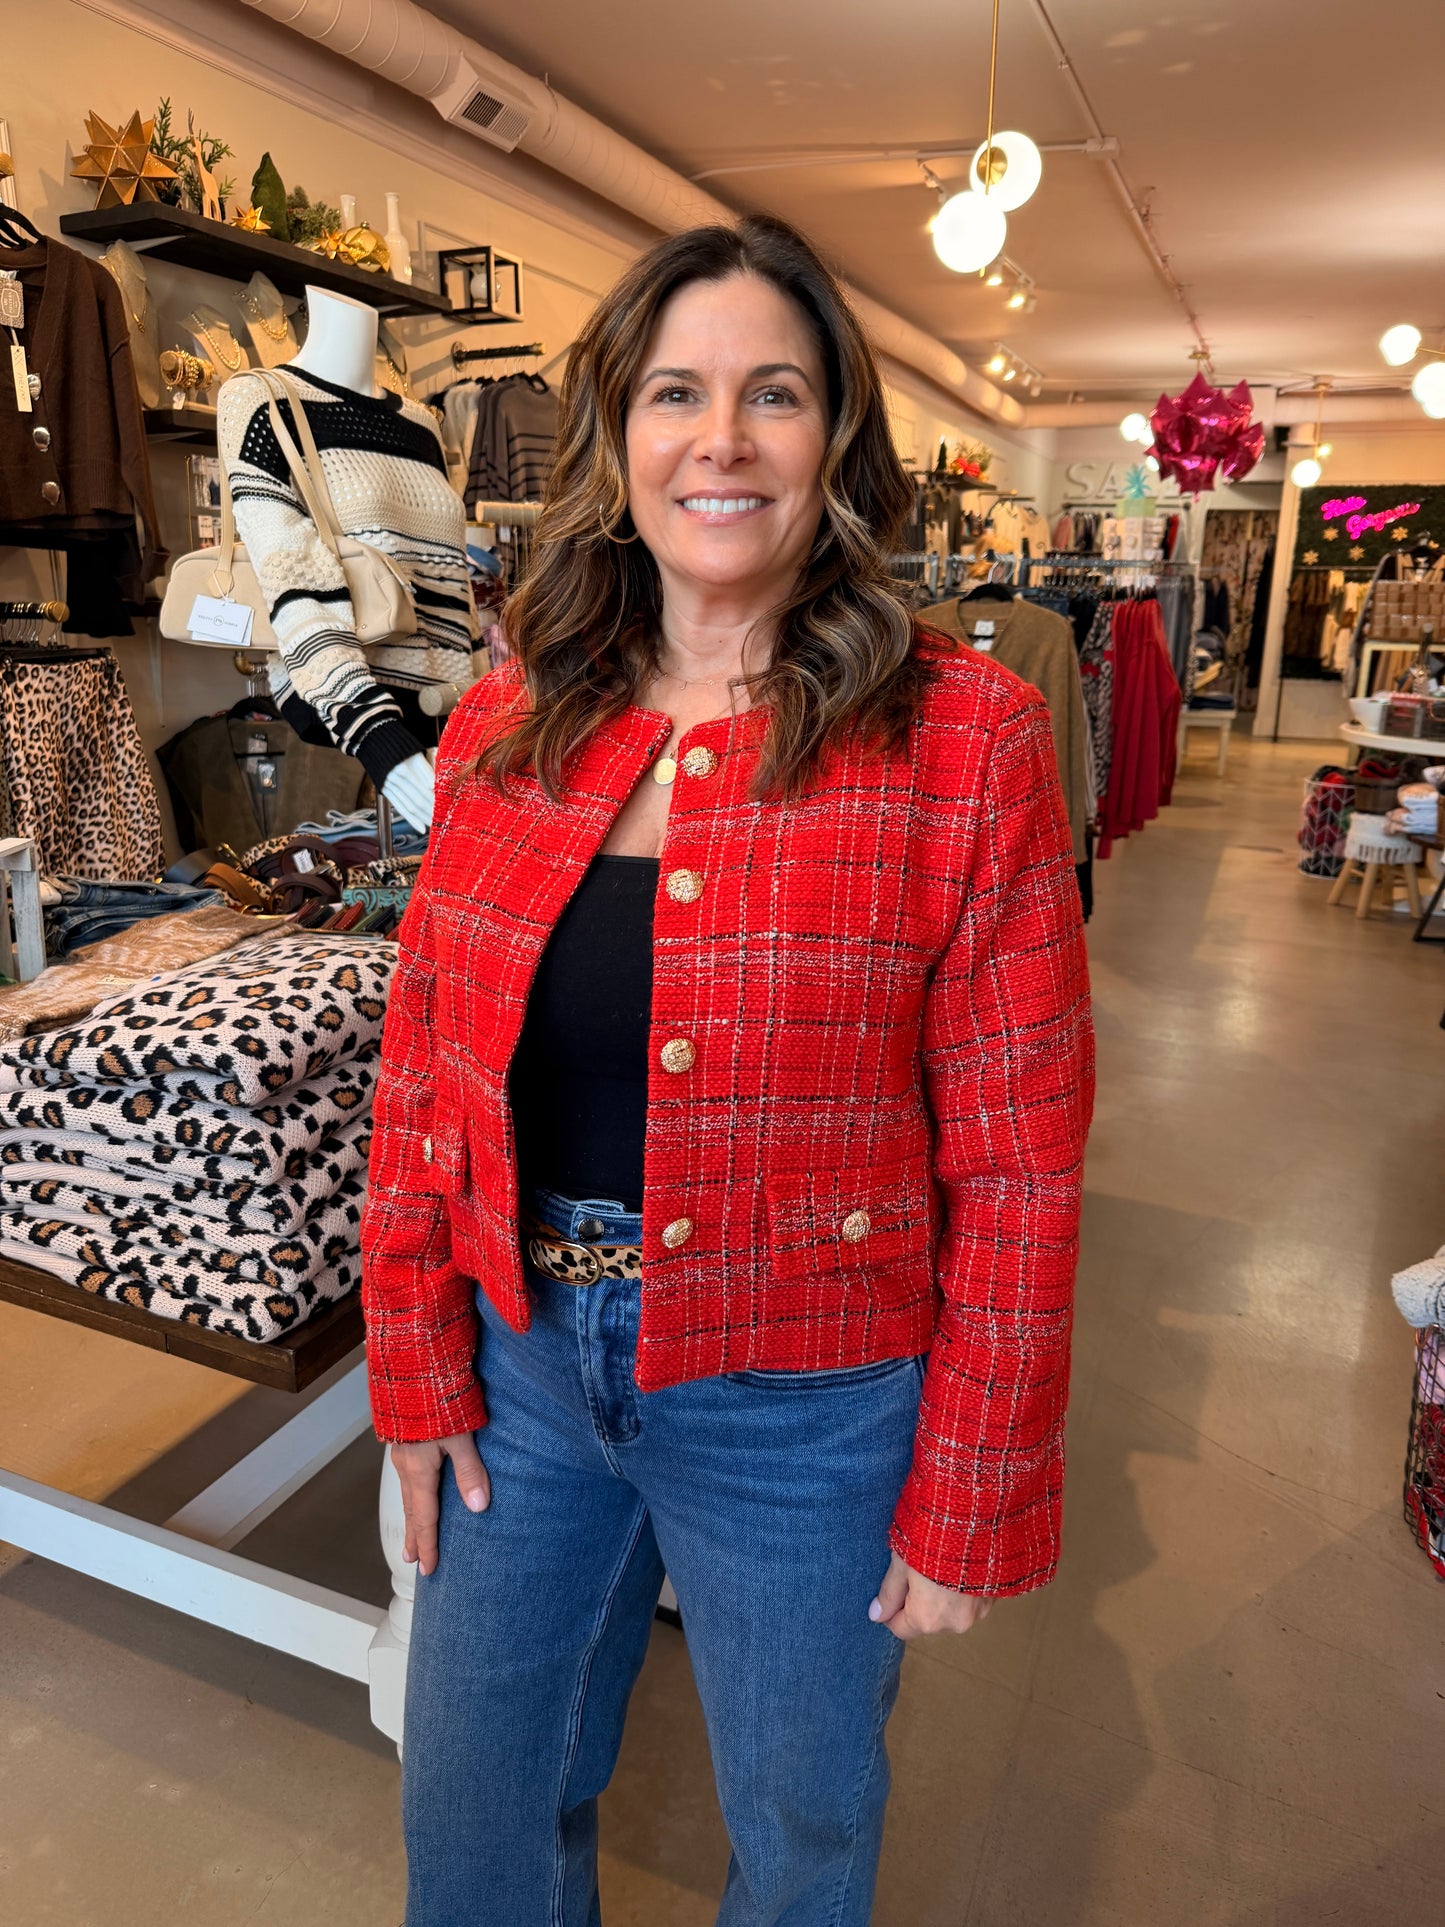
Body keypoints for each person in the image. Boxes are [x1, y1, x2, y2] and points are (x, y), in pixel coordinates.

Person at [362, 213, 1094, 1927]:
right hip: (522, 1363)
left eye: (774, 393)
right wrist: (413, 1362)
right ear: (617, 437)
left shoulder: (960, 739)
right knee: (472, 1808)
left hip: (810, 1401)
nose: (722, 439)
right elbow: (423, 1072)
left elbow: (1017, 1153)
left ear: (835, 441)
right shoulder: (506, 723)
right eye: (675, 394)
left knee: (800, 1831)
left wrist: (969, 1480)